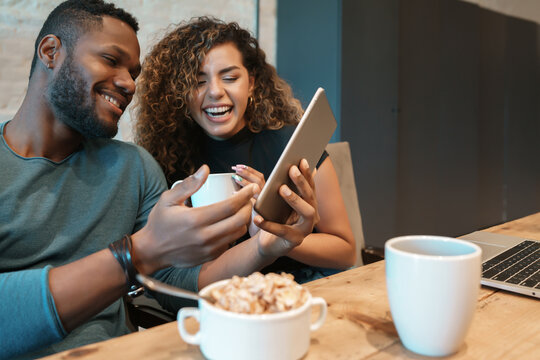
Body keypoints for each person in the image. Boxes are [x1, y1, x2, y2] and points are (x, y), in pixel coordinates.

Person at [0, 2, 317, 359]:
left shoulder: (133, 167)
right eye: (110, 59)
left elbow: (181, 283)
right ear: (51, 52)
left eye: (133, 72)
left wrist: (264, 247)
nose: (127, 83)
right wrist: (137, 253)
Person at [134, 17, 356, 291]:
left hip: (304, 291)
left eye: (230, 77)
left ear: (251, 83)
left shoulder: (292, 146)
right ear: (179, 93)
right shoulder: (166, 163)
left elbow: (345, 250)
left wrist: (278, 236)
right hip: (222, 301)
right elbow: (180, 278)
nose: (215, 91)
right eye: (198, 81)